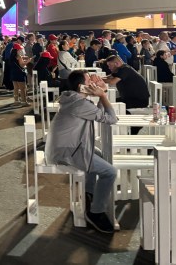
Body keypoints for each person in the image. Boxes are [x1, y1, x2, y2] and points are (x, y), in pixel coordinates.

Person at [45, 70, 117, 233]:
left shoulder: (73, 99)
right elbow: (111, 119)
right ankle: (96, 213)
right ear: (81, 87)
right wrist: (103, 95)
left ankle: (88, 194)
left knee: (97, 153)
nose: (93, 82)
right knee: (110, 172)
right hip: (65, 152)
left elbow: (97, 114)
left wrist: (101, 93)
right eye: (89, 80)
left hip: (63, 148)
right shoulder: (79, 104)